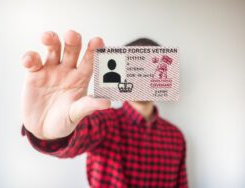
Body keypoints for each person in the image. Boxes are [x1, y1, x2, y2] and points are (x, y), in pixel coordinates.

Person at [21, 30, 188, 188]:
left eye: (150, 68)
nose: (142, 77)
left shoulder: (176, 137)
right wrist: (51, 135)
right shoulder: (105, 122)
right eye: (135, 67)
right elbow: (79, 136)